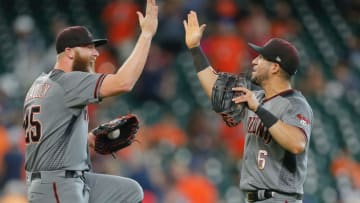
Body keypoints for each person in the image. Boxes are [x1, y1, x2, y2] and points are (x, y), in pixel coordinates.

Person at [22, 0, 158, 202]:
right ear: (69, 51)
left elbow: (50, 140)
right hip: (58, 184)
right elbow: (124, 82)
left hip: (59, 180)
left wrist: (89, 139)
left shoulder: (41, 84)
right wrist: (146, 34)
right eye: (88, 48)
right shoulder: (68, 81)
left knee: (131, 191)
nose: (96, 53)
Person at [183, 11, 313, 203]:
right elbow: (215, 88)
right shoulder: (256, 97)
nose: (254, 61)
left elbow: (297, 144)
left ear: (275, 68)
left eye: (261, 59)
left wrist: (259, 109)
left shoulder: (295, 103)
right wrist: (195, 49)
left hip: (280, 198)